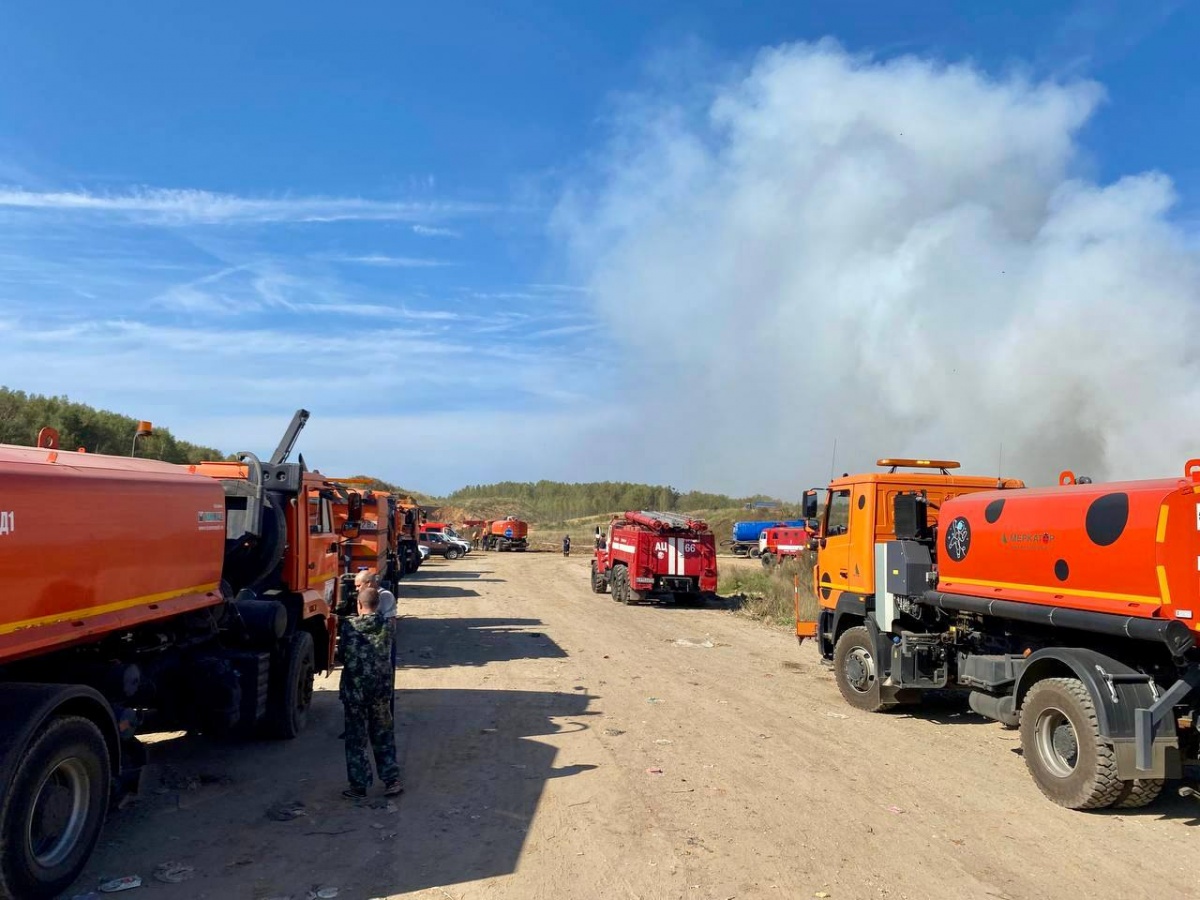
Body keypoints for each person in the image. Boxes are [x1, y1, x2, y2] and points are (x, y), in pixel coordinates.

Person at [339, 586, 403, 799]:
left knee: (356, 739)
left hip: (355, 692)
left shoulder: (349, 627)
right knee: (383, 735)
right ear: (378, 605)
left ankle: (358, 786)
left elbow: (343, 655)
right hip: (380, 691)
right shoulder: (387, 627)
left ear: (359, 605)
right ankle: (391, 780)